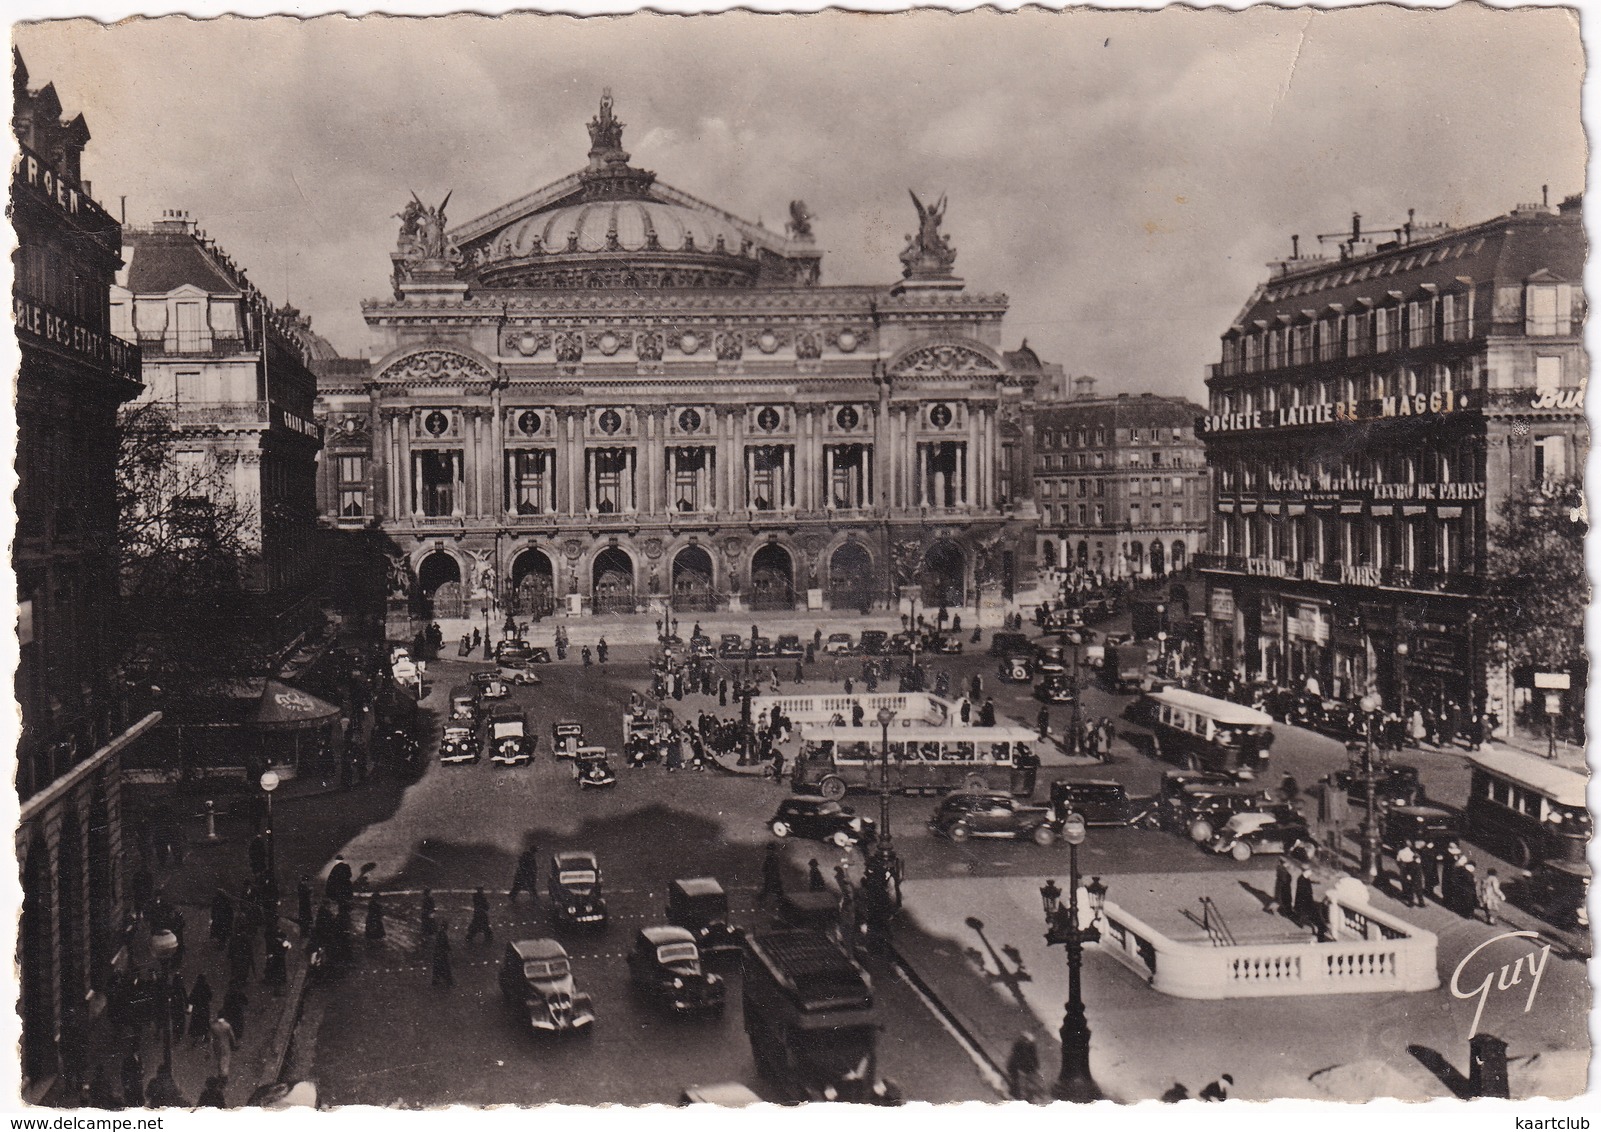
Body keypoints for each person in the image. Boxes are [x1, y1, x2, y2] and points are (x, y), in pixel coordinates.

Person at [1006, 1033, 1041, 1102]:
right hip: (1018, 1065)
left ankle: (1023, 1095)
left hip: (1024, 1066)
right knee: (1017, 1079)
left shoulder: (1028, 1046)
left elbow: (1034, 1058)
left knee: (1026, 1080)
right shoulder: (1021, 1045)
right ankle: (1016, 1093)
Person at [209, 1013, 237, 1082]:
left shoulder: (213, 1026)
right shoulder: (227, 1025)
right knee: (226, 1058)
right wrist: (234, 1044)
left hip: (217, 1044)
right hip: (225, 1044)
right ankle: (225, 1075)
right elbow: (231, 1036)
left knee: (219, 1058)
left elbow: (211, 1037)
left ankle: (220, 1073)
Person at [187, 972, 213, 1046]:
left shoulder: (196, 987)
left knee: (196, 1023)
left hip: (197, 1009)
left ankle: (195, 1039)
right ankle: (204, 1037)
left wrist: (190, 1008)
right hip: (204, 1008)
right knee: (204, 1023)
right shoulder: (206, 986)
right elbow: (210, 996)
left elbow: (191, 998)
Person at [432, 922, 454, 986]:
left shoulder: (440, 933)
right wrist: (448, 949)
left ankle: (436, 980)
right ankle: (448, 981)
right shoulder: (443, 934)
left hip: (438, 953)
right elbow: (444, 944)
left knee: (438, 968)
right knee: (445, 967)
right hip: (441, 953)